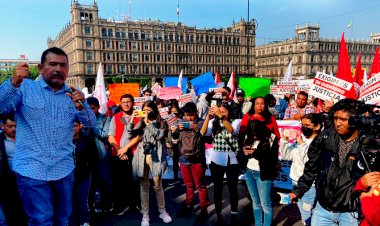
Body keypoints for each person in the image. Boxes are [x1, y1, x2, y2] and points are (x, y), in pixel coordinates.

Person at [0, 47, 96, 226]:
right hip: (32, 171)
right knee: (41, 220)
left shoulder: (73, 94)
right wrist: (12, 82)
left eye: (63, 65)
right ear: (41, 67)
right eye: (53, 64)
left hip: (64, 170)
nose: (58, 69)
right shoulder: (25, 87)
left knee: (63, 219)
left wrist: (82, 107)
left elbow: (91, 124)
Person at [289, 98, 378, 226]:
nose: (338, 123)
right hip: (323, 209)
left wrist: (365, 189)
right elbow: (311, 168)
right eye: (335, 118)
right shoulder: (325, 138)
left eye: (343, 119)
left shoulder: (369, 144)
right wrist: (298, 191)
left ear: (356, 119)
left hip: (351, 213)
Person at [239, 97, 280, 226]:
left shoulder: (270, 123)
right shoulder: (248, 118)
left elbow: (275, 141)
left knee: (265, 204)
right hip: (249, 171)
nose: (260, 106)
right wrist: (243, 151)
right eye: (257, 104)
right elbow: (241, 138)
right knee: (255, 203)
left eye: (263, 104)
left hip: (263, 171)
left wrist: (262, 146)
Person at [131, 100, 172, 226]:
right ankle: (145, 214)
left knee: (158, 185)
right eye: (145, 110)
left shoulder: (161, 122)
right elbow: (130, 132)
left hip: (156, 156)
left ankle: (162, 211)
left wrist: (148, 123)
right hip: (141, 155)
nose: (147, 113)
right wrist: (133, 118)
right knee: (144, 186)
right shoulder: (140, 122)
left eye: (149, 110)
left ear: (154, 110)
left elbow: (159, 136)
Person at [200, 102, 241, 225]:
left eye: (224, 112)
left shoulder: (236, 121)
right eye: (220, 111)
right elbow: (202, 132)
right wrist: (208, 116)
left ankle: (234, 214)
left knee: (232, 188)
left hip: (232, 160)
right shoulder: (214, 123)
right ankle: (219, 214)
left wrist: (221, 116)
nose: (222, 114)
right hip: (216, 159)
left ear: (229, 112)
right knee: (217, 189)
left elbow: (231, 130)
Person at [280, 113, 323, 226]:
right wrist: (284, 139)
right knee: (304, 215)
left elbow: (308, 162)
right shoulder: (301, 140)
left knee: (308, 215)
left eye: (307, 125)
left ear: (317, 126)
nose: (304, 127)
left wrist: (300, 144)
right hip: (295, 182)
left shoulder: (319, 142)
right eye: (302, 124)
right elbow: (286, 156)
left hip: (309, 186)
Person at [172, 102, 209, 222]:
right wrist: (177, 129)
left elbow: (207, 136)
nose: (188, 118)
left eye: (191, 115)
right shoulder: (180, 122)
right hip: (183, 159)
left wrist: (197, 128)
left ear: (196, 113)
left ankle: (204, 210)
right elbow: (174, 139)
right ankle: (189, 206)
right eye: (186, 115)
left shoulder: (201, 122)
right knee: (188, 185)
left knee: (201, 186)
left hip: (197, 159)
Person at [108, 94, 136, 215]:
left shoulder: (138, 117)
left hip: (133, 153)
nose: (126, 104)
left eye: (128, 101)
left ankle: (133, 203)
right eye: (123, 102)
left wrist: (125, 149)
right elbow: (110, 136)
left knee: (132, 181)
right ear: (120, 104)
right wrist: (119, 150)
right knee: (117, 182)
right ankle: (119, 205)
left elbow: (139, 136)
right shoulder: (116, 117)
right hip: (117, 153)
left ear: (133, 103)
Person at [85, 97, 113, 214]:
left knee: (104, 179)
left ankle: (107, 203)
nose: (91, 111)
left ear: (98, 108)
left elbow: (106, 134)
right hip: (87, 155)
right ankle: (91, 204)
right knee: (91, 181)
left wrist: (93, 128)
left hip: (101, 153)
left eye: (93, 108)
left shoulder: (106, 118)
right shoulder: (83, 118)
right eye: (89, 108)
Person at [0, 113, 28, 226]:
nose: (14, 129)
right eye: (10, 126)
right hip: (8, 181)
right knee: (10, 211)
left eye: (16, 126)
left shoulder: (25, 138)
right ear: (2, 126)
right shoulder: (1, 142)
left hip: (27, 180)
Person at [69, 120, 98, 226]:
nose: (73, 129)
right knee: (70, 202)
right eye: (70, 126)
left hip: (83, 175)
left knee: (83, 200)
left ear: (80, 126)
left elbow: (94, 160)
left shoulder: (87, 141)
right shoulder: (62, 142)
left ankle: (84, 221)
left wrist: (93, 174)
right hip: (68, 177)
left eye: (75, 126)